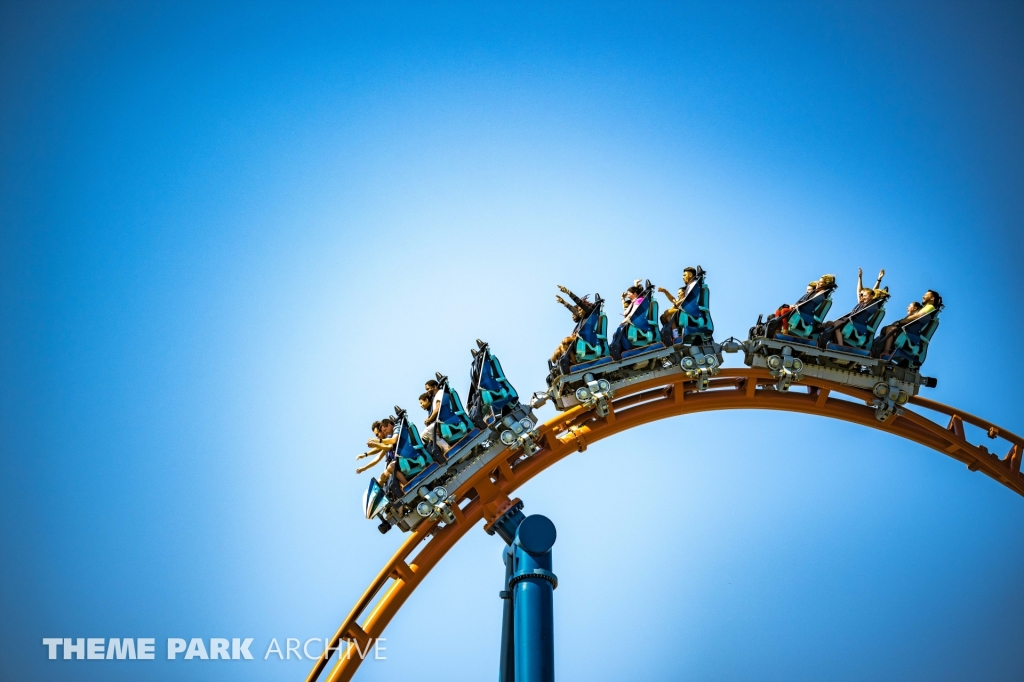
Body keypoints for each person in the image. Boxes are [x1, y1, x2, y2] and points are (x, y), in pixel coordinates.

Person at [821, 268, 887, 347]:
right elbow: (860, 291)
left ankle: (840, 345)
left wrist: (878, 280)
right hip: (851, 324)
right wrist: (860, 278)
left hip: (856, 327)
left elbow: (873, 292)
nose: (861, 296)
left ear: (872, 296)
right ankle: (827, 343)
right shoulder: (862, 304)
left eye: (864, 295)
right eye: (861, 295)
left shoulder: (870, 305)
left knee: (837, 323)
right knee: (827, 324)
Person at [873, 291, 942, 358]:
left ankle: (886, 352)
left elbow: (916, 316)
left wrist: (899, 322)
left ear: (932, 298)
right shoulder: (926, 308)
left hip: (908, 335)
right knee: (886, 329)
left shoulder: (930, 307)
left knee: (890, 328)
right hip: (906, 333)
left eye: (926, 295)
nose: (923, 296)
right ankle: (876, 348)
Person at [355, 418, 399, 483]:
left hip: (398, 463)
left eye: (377, 434)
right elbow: (378, 455)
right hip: (395, 465)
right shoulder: (386, 441)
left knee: (383, 477)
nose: (377, 437)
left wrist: (375, 444)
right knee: (381, 479)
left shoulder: (389, 437)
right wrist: (364, 464)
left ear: (381, 430)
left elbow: (387, 447)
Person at [609, 283, 645, 360]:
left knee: (621, 330)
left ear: (634, 293)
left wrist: (624, 321)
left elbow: (632, 314)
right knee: (616, 334)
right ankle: (613, 348)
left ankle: (628, 350)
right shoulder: (634, 302)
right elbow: (625, 312)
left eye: (629, 292)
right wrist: (624, 299)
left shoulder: (639, 300)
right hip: (635, 322)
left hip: (639, 324)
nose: (627, 294)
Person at [419, 379, 451, 455]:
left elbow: (437, 408)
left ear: (434, 386)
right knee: (427, 437)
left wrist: (430, 419)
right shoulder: (435, 397)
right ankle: (437, 451)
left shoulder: (439, 393)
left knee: (426, 433)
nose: (427, 391)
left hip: (443, 421)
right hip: (439, 422)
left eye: (428, 389)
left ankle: (446, 448)